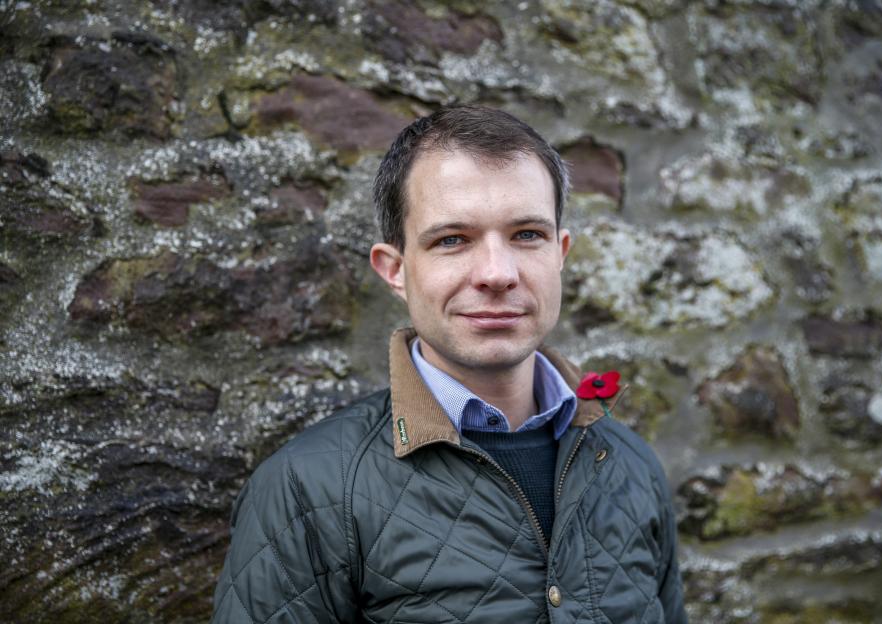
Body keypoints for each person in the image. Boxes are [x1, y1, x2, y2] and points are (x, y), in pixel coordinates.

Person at [211, 106, 687, 623]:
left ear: (560, 253)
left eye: (527, 234)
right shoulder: (308, 487)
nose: (497, 274)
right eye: (452, 240)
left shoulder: (630, 463)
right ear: (395, 270)